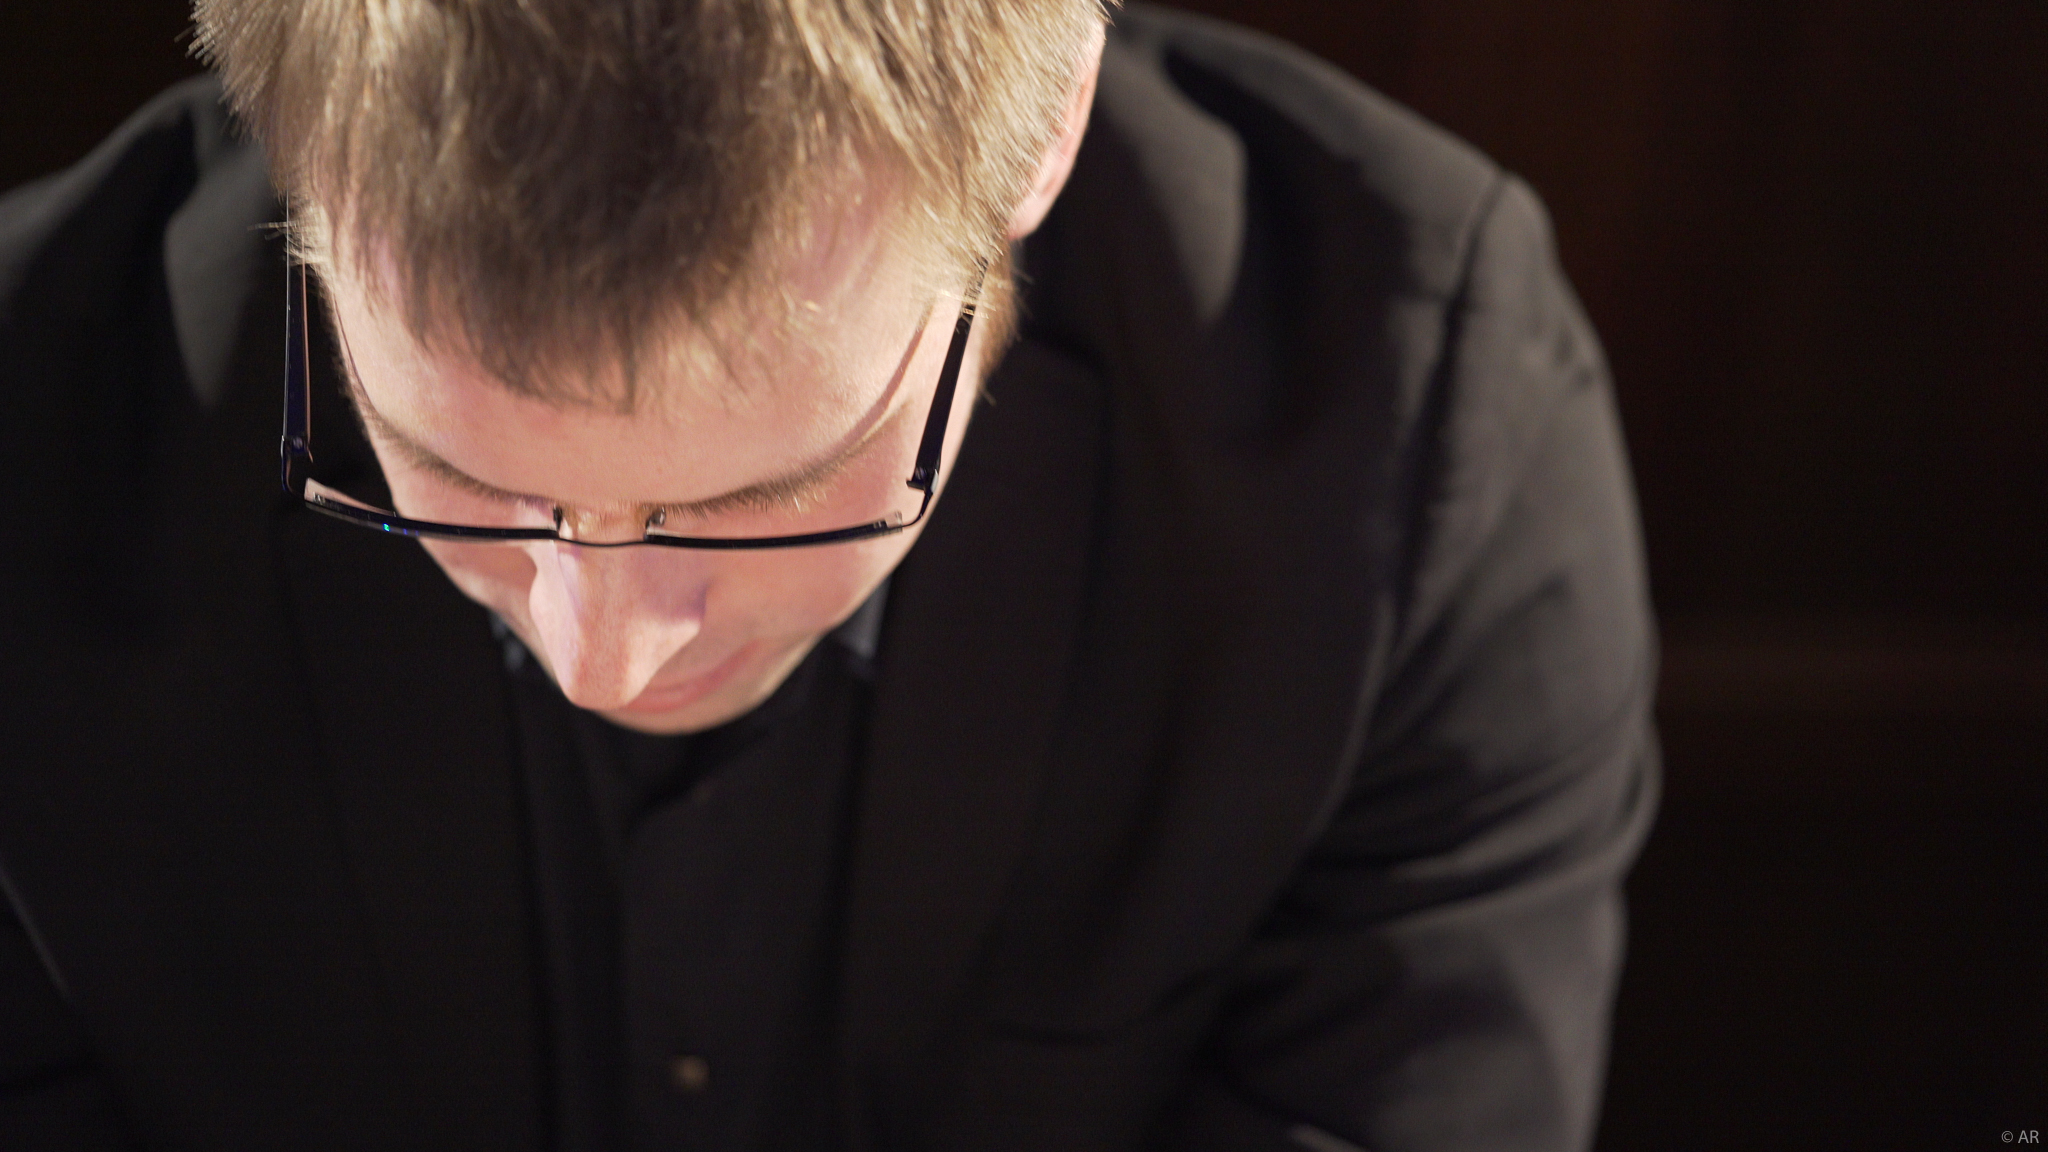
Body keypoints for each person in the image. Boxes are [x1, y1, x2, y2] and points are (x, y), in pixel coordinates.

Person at [0, 1, 1660, 1149]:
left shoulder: (1419, 422)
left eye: (768, 494)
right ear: (291, 144)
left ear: (1038, 135)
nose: (608, 653)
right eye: (459, 473)